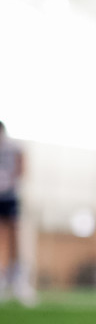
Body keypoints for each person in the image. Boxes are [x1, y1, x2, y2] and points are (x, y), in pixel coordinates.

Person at [0, 121, 28, 303]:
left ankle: (18, 278)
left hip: (9, 195)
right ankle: (3, 278)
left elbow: (22, 169)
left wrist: (9, 183)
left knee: (14, 235)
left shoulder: (14, 147)